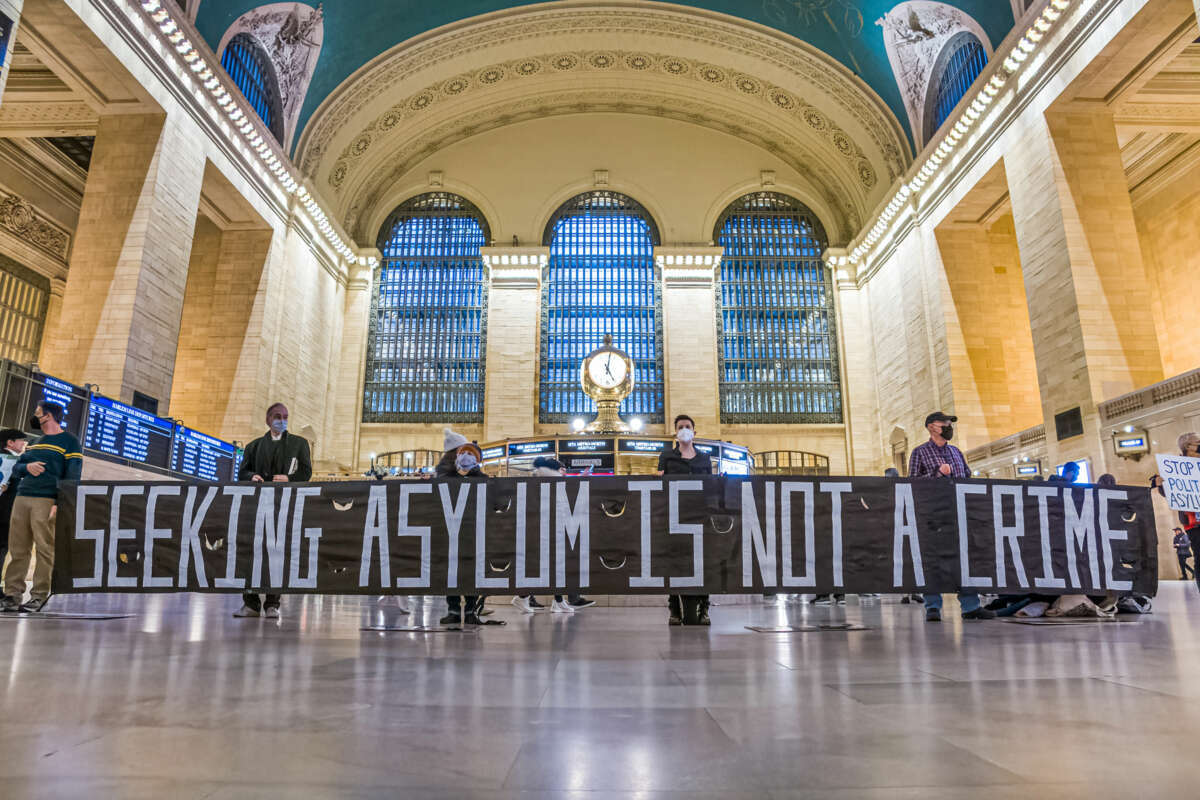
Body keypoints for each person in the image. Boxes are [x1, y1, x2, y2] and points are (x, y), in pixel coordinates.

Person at [908, 412, 996, 622]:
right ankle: (933, 606)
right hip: (933, 517)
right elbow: (912, 483)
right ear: (931, 427)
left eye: (949, 424)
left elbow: (967, 476)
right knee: (933, 562)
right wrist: (937, 474)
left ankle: (970, 606)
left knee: (964, 560)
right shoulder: (919, 452)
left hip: (958, 513)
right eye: (944, 424)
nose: (948, 427)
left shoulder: (956, 452)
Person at [0, 403, 82, 613]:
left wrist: (59, 501)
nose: (34, 417)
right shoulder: (35, 442)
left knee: (45, 548)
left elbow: (73, 476)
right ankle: (12, 595)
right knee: (18, 548)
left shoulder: (70, 442)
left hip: (46, 500)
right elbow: (17, 468)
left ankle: (38, 596)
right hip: (22, 496)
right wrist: (26, 466)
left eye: (37, 413)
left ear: (48, 416)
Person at [233, 402, 312, 619]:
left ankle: (272, 603)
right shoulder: (253, 446)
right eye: (277, 416)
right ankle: (250, 603)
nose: (282, 419)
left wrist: (289, 479)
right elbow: (243, 472)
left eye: (285, 416)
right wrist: (252, 477)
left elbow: (306, 472)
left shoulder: (299, 444)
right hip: (256, 507)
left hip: (282, 507)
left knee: (276, 554)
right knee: (251, 552)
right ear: (268, 419)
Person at [512, 456, 595, 614]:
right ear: (553, 470)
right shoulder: (548, 482)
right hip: (542, 532)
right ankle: (523, 597)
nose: (565, 472)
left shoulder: (547, 481)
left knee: (555, 567)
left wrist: (579, 479)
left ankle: (557, 601)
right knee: (544, 567)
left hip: (550, 530)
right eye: (562, 469)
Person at [437, 429, 503, 626]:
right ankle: (454, 609)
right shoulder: (444, 476)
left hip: (474, 533)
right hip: (450, 532)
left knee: (473, 571)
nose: (466, 457)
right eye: (462, 452)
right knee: (453, 571)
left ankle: (472, 609)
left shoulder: (480, 477)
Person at [657, 414, 712, 626]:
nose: (684, 429)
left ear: (694, 432)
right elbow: (660, 482)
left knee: (703, 563)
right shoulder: (667, 457)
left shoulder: (704, 458)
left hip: (700, 517)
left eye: (688, 426)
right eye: (680, 427)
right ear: (675, 433)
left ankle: (704, 608)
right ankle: (674, 608)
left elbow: (710, 485)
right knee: (674, 562)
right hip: (674, 516)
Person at [1152, 433, 1200, 591]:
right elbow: (1168, 492)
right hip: (1194, 523)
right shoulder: (1175, 466)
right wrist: (1160, 483)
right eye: (1198, 442)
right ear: (1188, 447)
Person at [0, 428, 28, 569]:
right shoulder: (9, 460)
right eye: (21, 440)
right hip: (4, 513)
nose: (24, 443)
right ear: (10, 442)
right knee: (1, 548)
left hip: (7, 512)